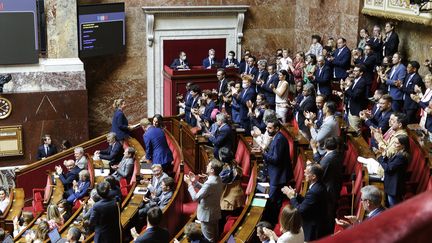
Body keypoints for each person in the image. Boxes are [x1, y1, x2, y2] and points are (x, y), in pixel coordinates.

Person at [282, 164, 331, 241]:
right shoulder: (318, 185)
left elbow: (300, 210)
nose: (304, 173)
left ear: (313, 176)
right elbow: (307, 201)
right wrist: (295, 195)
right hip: (317, 220)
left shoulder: (315, 190)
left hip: (313, 227)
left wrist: (291, 197)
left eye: (307, 172)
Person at [260, 117, 293, 225]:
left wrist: (263, 153)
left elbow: (276, 159)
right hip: (276, 174)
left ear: (277, 128)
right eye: (267, 127)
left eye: (270, 128)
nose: (267, 129)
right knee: (273, 201)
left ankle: (270, 223)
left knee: (273, 202)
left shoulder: (279, 139)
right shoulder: (277, 137)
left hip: (278, 176)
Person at [184, 159, 224, 242]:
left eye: (208, 166)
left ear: (212, 170)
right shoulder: (218, 178)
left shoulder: (209, 183)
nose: (206, 166)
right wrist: (195, 182)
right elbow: (207, 190)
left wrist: (189, 184)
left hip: (207, 216)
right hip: (215, 212)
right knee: (215, 235)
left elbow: (195, 198)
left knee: (209, 239)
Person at [377, 134, 409, 207]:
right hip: (391, 184)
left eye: (397, 143)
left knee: (394, 207)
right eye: (394, 142)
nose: (394, 145)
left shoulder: (401, 156)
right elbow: (390, 164)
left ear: (403, 145)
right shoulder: (398, 153)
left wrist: (380, 158)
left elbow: (389, 168)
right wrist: (384, 156)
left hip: (394, 186)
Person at [342, 65, 368, 133]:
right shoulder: (355, 80)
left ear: (361, 73)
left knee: (355, 131)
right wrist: (345, 87)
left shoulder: (362, 82)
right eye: (354, 70)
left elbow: (355, 95)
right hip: (351, 108)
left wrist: (347, 87)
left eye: (356, 71)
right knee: (351, 130)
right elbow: (349, 92)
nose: (354, 72)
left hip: (356, 110)